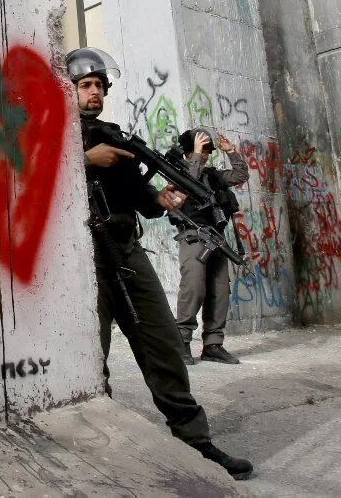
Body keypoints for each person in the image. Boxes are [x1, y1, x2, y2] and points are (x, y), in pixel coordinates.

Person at [68, 47, 253, 481]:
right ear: (69, 91)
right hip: (81, 257)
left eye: (99, 85)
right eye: (85, 85)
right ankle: (99, 449)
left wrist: (159, 199)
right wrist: (82, 160)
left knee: (164, 342)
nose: (94, 92)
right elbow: (27, 174)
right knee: (92, 354)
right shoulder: (54, 134)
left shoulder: (112, 134)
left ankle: (195, 441)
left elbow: (138, 197)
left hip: (124, 247)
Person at [168, 129, 248, 365]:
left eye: (208, 151)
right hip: (193, 237)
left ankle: (213, 345)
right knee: (193, 288)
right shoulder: (178, 172)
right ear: (188, 152)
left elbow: (240, 175)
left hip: (216, 239)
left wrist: (231, 151)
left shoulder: (213, 176)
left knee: (219, 291)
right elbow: (187, 185)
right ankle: (181, 342)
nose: (205, 155)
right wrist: (195, 156)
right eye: (202, 150)